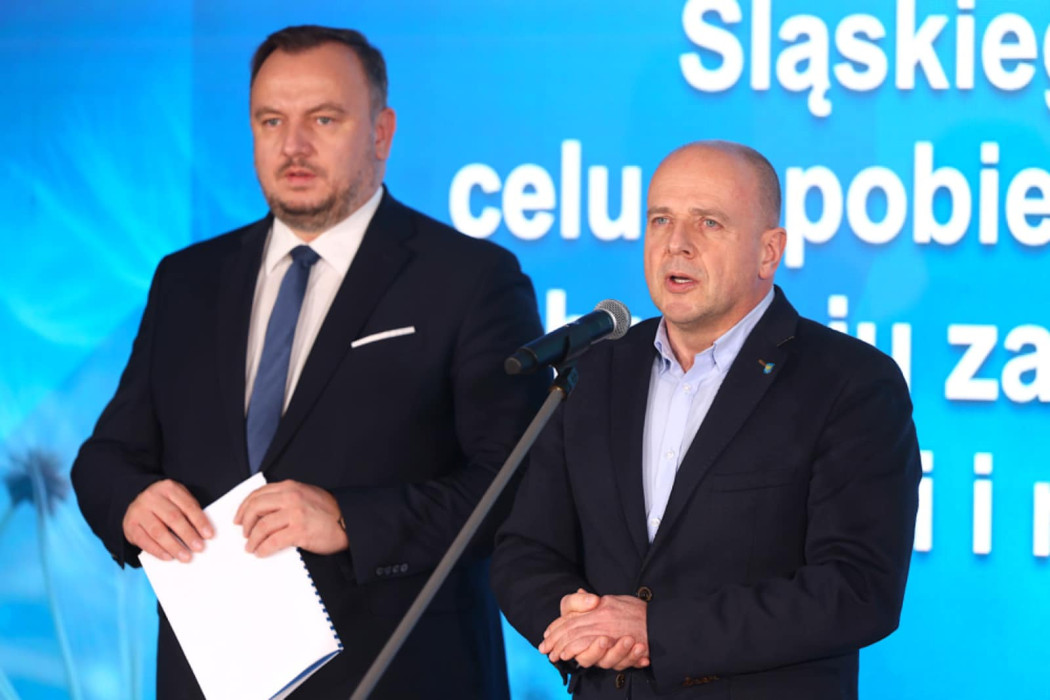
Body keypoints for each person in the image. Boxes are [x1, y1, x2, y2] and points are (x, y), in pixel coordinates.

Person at [71, 25, 548, 699]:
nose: (293, 146)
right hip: (208, 678)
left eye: (324, 119)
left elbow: (517, 485)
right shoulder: (187, 279)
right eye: (272, 121)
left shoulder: (469, 279)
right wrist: (130, 502)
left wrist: (350, 521)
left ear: (381, 132)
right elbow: (106, 457)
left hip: (397, 677)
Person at [491, 140, 921, 699]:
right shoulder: (594, 370)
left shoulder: (850, 382)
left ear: (768, 252)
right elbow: (525, 549)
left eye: (709, 223)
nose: (677, 243)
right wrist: (575, 619)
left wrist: (656, 632)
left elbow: (857, 588)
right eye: (660, 220)